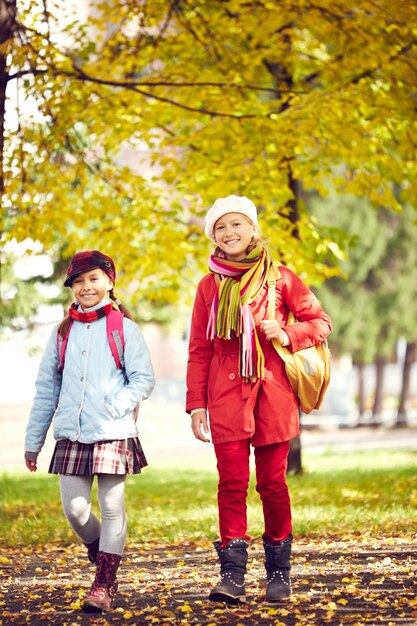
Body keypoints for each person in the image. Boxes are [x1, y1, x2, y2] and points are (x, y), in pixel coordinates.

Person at [186, 195, 331, 605]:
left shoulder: (281, 278)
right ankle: (231, 575)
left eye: (236, 225)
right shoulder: (208, 285)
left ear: (252, 229)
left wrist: (287, 334)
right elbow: (199, 349)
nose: (229, 233)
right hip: (225, 395)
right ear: (213, 236)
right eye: (220, 228)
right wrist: (197, 403)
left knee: (272, 484)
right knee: (231, 484)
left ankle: (278, 575)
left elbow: (320, 322)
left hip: (272, 393)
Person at [25, 250, 155, 613]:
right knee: (76, 511)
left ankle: (104, 583)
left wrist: (117, 404)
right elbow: (46, 390)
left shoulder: (124, 328)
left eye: (94, 279)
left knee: (113, 508)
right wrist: (33, 443)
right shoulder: (62, 332)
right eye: (78, 281)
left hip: (113, 431)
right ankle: (104, 554)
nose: (86, 287)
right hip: (72, 434)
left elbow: (143, 379)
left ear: (110, 282)